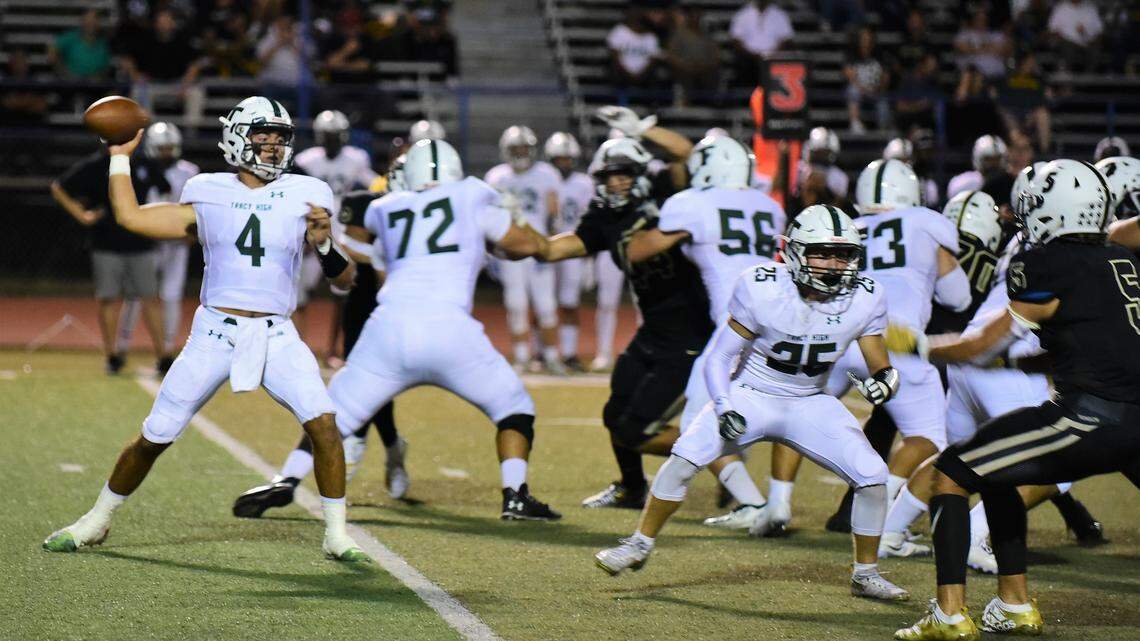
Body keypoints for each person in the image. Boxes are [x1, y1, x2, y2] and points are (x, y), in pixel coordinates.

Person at [42, 96, 366, 562]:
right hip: (215, 330)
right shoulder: (206, 188)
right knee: (156, 436)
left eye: (280, 138)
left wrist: (323, 244)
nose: (273, 147)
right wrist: (118, 159)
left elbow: (344, 280)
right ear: (237, 138)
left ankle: (337, 535)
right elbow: (132, 218)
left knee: (325, 426)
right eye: (262, 136)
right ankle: (96, 520)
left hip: (276, 332)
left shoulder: (307, 191)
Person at [594, 205, 910, 602]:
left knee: (872, 475)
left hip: (810, 400)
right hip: (754, 393)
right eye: (822, 253)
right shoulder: (761, 286)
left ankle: (865, 574)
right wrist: (725, 405)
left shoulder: (865, 296)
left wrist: (884, 382)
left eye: (844, 254)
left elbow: (879, 363)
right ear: (794, 253)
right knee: (685, 455)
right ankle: (639, 544)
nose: (834, 264)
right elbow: (720, 358)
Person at [892, 159, 1139, 640]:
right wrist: (1012, 366)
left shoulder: (1046, 263)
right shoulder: (1122, 260)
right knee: (998, 473)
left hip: (1089, 419)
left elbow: (980, 343)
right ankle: (1013, 603)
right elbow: (1096, 346)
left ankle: (948, 616)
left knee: (950, 475)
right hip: (1131, 417)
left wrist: (920, 345)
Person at [318, 138, 561, 521]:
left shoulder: (412, 203)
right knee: (361, 398)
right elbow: (352, 263)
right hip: (373, 301)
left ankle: (382, 456)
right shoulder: (373, 202)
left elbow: (383, 262)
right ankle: (355, 462)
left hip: (394, 306)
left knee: (362, 396)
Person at [757, 159, 971, 537]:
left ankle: (778, 503)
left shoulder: (847, 229)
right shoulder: (926, 223)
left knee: (795, 409)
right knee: (930, 438)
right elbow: (958, 297)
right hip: (894, 340)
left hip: (835, 332)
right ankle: (879, 512)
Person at [523, 137, 715, 510]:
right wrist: (511, 230)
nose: (616, 184)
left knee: (634, 431)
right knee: (615, 414)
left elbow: (686, 154)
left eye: (624, 175)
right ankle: (632, 488)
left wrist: (645, 130)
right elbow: (554, 249)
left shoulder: (668, 194)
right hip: (654, 330)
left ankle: (720, 456)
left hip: (690, 330)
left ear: (641, 173)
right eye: (609, 177)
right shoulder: (604, 217)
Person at [625, 134, 786, 530]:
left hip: (736, 327)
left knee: (693, 421)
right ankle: (763, 499)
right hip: (779, 322)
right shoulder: (769, 205)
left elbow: (638, 251)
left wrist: (634, 218)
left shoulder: (691, 204)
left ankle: (754, 504)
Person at [233, 184, 411, 517]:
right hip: (365, 303)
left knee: (364, 389)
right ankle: (294, 476)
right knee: (354, 391)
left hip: (412, 315)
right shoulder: (366, 202)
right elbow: (346, 250)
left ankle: (378, 449)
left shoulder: (433, 211)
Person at [51, 133, 173, 374]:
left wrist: (156, 221)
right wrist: (82, 215)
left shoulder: (142, 164)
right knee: (109, 299)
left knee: (151, 299)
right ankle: (112, 355)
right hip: (106, 243)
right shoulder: (95, 165)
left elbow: (165, 191)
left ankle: (164, 355)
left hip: (141, 243)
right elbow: (59, 187)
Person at [117, 123, 200, 356]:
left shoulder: (189, 171)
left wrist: (193, 232)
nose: (166, 153)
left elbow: (195, 207)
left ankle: (167, 347)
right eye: (162, 148)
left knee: (171, 295)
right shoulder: (141, 168)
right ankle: (122, 344)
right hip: (149, 240)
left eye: (169, 148)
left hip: (177, 242)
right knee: (135, 294)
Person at [485, 125, 564, 373]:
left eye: (523, 148)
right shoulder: (496, 177)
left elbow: (554, 214)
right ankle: (521, 357)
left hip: (538, 247)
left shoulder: (546, 174)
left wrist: (553, 245)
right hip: (510, 251)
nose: (520, 153)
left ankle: (551, 356)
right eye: (515, 149)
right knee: (516, 304)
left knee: (546, 305)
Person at [544, 132, 595, 371]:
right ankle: (543, 352)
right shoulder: (543, 177)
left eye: (567, 159)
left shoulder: (584, 183)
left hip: (573, 248)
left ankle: (570, 352)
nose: (563, 163)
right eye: (559, 159)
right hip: (546, 246)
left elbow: (592, 218)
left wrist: (589, 255)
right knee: (543, 303)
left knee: (569, 302)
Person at [729, 0, 794, 88]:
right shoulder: (742, 15)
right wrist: (754, 55)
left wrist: (772, 55)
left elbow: (786, 39)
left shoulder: (780, 15)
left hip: (774, 59)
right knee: (744, 66)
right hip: (748, 59)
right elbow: (736, 40)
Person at [845, 26, 891, 133]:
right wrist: (862, 89)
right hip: (859, 89)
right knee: (852, 91)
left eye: (868, 38)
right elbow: (849, 75)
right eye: (864, 38)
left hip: (876, 90)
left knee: (883, 99)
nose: (866, 41)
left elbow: (886, 76)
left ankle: (883, 128)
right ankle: (855, 123)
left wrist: (878, 88)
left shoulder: (880, 55)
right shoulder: (852, 55)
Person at [607, 9, 663, 98]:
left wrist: (641, 73)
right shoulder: (620, 31)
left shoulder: (651, 37)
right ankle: (620, 103)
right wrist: (627, 72)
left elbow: (653, 59)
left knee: (656, 76)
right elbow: (614, 55)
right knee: (614, 71)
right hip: (623, 71)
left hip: (644, 73)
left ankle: (652, 105)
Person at [48, 8, 111, 79]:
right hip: (70, 84)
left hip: (96, 85)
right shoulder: (70, 37)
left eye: (94, 20)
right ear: (82, 21)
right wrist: (65, 74)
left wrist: (98, 78)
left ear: (99, 23)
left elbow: (105, 67)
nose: (91, 23)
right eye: (88, 21)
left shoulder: (103, 42)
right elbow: (52, 52)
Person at [1048, 0, 1104, 73]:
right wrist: (1061, 37)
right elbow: (1052, 29)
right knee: (1067, 49)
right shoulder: (1061, 8)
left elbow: (1099, 30)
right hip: (1068, 41)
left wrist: (1092, 39)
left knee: (1096, 50)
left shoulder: (1090, 8)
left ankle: (1089, 78)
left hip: (1089, 42)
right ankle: (1068, 78)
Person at [948, 135, 1007, 200]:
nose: (993, 164)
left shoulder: (1008, 184)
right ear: (978, 159)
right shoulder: (963, 184)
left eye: (997, 159)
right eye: (988, 159)